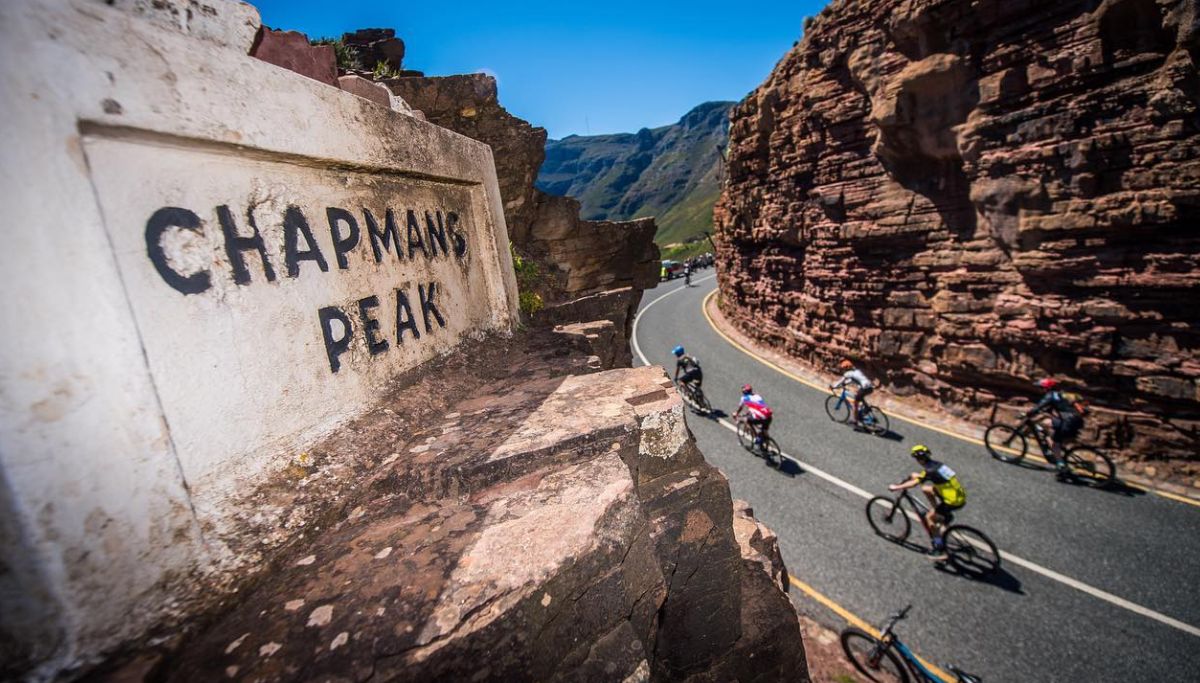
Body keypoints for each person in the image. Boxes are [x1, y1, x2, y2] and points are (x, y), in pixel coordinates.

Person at [889, 445, 966, 561]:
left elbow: (914, 483)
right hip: (957, 494)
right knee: (926, 489)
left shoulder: (929, 471)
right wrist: (914, 476)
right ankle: (939, 513)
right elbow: (925, 476)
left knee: (929, 518)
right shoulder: (937, 465)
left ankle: (939, 548)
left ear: (919, 459)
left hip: (952, 501)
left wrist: (897, 487)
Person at [1026, 378, 1084, 478]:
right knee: (1049, 426)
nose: (1040, 390)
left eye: (1041, 388)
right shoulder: (1060, 394)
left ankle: (1061, 465)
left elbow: (1039, 407)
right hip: (1076, 420)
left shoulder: (1050, 395)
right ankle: (1054, 449)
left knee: (1054, 442)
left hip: (1068, 422)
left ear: (1046, 388)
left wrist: (1028, 413)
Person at [830, 359, 874, 427]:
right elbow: (852, 380)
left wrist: (833, 386)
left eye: (843, 369)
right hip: (870, 387)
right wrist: (845, 383)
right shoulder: (857, 371)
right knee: (859, 396)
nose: (843, 370)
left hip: (864, 388)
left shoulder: (848, 373)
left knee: (855, 403)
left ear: (846, 368)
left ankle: (855, 421)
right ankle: (867, 409)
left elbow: (841, 381)